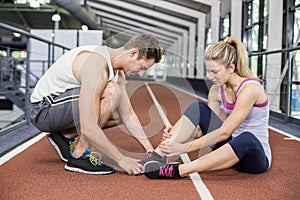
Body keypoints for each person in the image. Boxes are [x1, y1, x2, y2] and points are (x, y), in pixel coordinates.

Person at [30, 33, 164, 175]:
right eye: (142, 68)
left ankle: (65, 135)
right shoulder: (96, 64)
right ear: (133, 53)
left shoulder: (118, 74)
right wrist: (121, 159)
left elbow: (128, 114)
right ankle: (79, 155)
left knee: (118, 114)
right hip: (43, 110)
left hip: (59, 109)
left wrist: (151, 151)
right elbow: (89, 127)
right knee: (112, 92)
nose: (142, 74)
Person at [143, 36, 271, 179]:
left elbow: (225, 132)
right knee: (198, 107)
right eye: (208, 71)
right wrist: (177, 134)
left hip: (254, 157)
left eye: (214, 72)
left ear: (231, 68)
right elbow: (207, 130)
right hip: (230, 150)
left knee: (246, 138)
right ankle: (156, 156)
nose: (210, 76)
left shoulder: (249, 89)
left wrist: (184, 147)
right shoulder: (216, 90)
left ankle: (178, 170)